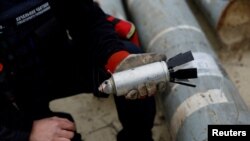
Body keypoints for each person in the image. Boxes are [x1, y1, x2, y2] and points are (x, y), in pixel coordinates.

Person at [0, 0, 166, 141]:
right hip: (11, 99)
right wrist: (27, 133)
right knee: (61, 134)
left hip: (56, 65)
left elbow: (88, 20)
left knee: (133, 73)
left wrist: (116, 59)